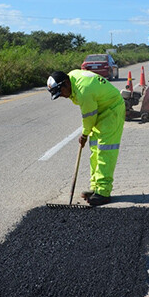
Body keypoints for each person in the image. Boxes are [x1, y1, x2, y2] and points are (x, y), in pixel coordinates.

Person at [47, 70, 125, 206]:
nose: (63, 97)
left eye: (61, 93)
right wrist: (86, 133)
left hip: (111, 111)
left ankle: (103, 192)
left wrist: (84, 134)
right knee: (95, 150)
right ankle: (95, 188)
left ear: (65, 83)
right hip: (100, 109)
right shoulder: (72, 78)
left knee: (104, 152)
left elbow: (88, 117)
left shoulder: (84, 91)